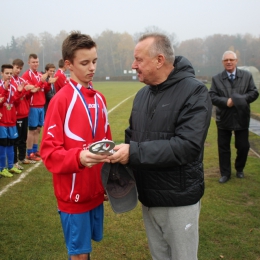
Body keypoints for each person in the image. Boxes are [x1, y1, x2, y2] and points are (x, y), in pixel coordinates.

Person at [108, 33, 212, 260]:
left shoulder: (194, 92)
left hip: (178, 200)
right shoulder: (142, 95)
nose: (133, 65)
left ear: (159, 60)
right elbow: (132, 138)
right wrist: (117, 172)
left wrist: (133, 152)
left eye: (138, 59)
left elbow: (187, 146)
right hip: (149, 198)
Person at [40, 31, 112, 260]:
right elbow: (49, 153)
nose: (92, 68)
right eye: (85, 63)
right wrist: (79, 158)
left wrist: (108, 182)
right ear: (69, 64)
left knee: (86, 251)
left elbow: (106, 144)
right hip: (73, 196)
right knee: (79, 255)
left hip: (95, 191)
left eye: (94, 61)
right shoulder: (60, 101)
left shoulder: (100, 98)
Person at [209, 50, 259, 184]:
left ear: (236, 61)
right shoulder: (217, 78)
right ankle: (225, 174)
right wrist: (226, 102)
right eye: (226, 60)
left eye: (231, 60)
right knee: (223, 148)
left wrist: (239, 99)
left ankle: (239, 168)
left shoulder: (247, 76)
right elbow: (212, 96)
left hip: (241, 117)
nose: (229, 62)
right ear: (223, 62)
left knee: (243, 146)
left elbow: (254, 93)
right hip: (223, 117)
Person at [22, 54, 53, 161]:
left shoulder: (40, 74)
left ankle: (35, 150)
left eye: (37, 62)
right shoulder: (27, 75)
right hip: (33, 106)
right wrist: (41, 81)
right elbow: (32, 89)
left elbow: (44, 89)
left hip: (41, 105)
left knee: (38, 129)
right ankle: (29, 152)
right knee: (32, 130)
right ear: (29, 63)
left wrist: (48, 83)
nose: (35, 64)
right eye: (33, 62)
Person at [11, 59, 36, 169]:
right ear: (13, 67)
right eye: (17, 68)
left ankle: (22, 158)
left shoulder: (21, 80)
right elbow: (13, 99)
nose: (18, 70)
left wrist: (29, 91)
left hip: (25, 112)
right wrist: (22, 90)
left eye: (20, 68)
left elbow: (26, 97)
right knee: (16, 139)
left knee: (23, 138)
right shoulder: (10, 82)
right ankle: (14, 161)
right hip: (16, 115)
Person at [0, 64, 23, 177]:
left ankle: (10, 166)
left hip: (11, 121)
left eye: (10, 73)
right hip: (2, 121)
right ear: (2, 73)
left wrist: (18, 93)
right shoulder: (1, 86)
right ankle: (2, 168)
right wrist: (4, 89)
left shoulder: (13, 86)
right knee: (3, 145)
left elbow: (15, 102)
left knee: (11, 144)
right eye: (6, 73)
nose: (9, 75)